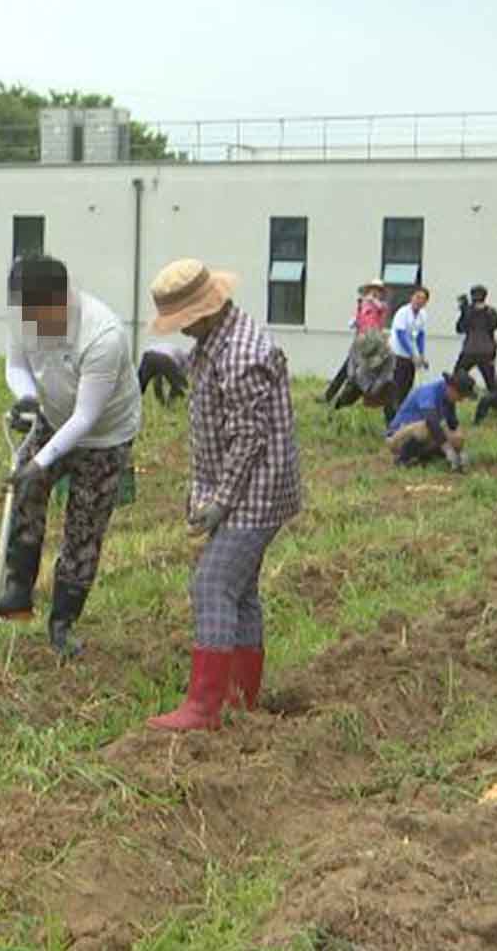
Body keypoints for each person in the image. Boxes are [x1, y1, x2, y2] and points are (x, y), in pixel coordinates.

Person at [142, 259, 302, 732]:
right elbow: (196, 365)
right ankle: (239, 699)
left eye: (182, 322)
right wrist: (163, 358)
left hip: (256, 491)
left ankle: (204, 706)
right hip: (253, 487)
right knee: (242, 592)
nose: (183, 329)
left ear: (203, 311)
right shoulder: (218, 340)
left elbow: (247, 440)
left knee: (211, 584)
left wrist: (220, 503)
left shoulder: (242, 355)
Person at [0, 255, 143, 657]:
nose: (27, 322)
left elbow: (86, 418)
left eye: (35, 313)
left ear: (60, 302)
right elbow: (15, 365)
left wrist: (40, 464)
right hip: (53, 418)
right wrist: (25, 397)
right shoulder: (26, 316)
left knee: (83, 529)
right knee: (25, 493)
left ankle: (62, 623)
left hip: (103, 438)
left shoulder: (102, 335)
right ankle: (18, 589)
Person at [385, 370, 477, 470]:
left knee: (456, 436)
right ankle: (402, 459)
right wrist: (447, 449)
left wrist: (459, 449)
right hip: (398, 435)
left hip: (420, 437)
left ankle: (421, 457)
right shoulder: (429, 392)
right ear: (452, 389)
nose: (461, 400)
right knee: (426, 427)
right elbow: (431, 420)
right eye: (461, 396)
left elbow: (453, 424)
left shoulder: (448, 399)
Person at [322, 280, 391, 403]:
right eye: (372, 290)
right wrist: (354, 321)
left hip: (373, 343)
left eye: (377, 290)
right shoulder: (363, 305)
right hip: (361, 340)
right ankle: (329, 396)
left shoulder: (382, 306)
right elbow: (358, 319)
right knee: (347, 369)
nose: (374, 293)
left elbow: (380, 310)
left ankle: (345, 399)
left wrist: (371, 300)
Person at [453, 286, 497, 424]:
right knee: (491, 385)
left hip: (470, 350)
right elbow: (495, 326)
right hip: (487, 351)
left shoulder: (469, 311)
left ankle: (468, 394)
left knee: (456, 376)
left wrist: (464, 310)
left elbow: (460, 328)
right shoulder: (491, 312)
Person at [389, 287, 432, 412]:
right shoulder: (403, 312)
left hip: (411, 356)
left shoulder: (423, 315)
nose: (419, 301)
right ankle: (392, 413)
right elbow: (401, 335)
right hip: (398, 354)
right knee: (396, 386)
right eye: (417, 297)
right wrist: (413, 354)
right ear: (411, 297)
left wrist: (421, 354)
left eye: (423, 299)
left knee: (407, 386)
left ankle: (402, 411)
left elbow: (420, 335)